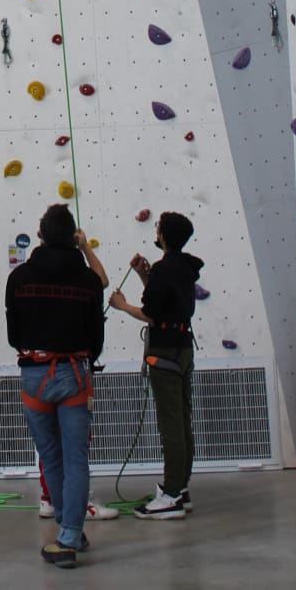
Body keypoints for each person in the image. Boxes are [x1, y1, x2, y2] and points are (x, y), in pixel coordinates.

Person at [6, 205, 108, 570]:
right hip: (75, 374)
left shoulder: (19, 278)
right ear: (72, 237)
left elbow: (13, 335)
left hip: (35, 374)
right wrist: (85, 247)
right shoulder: (86, 281)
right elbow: (97, 325)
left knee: (51, 458)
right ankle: (70, 534)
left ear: (40, 234)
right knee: (77, 459)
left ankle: (69, 532)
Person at [108, 212, 202, 520]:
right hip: (184, 348)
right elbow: (165, 302)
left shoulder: (166, 269)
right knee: (182, 419)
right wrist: (143, 275)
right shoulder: (185, 268)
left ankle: (172, 494)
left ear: (164, 235)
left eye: (159, 227)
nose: (156, 230)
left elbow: (151, 314)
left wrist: (121, 306)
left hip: (165, 352)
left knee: (170, 424)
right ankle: (180, 486)